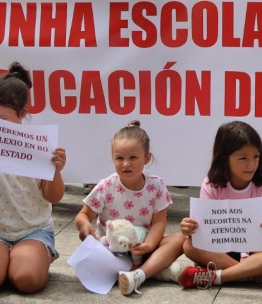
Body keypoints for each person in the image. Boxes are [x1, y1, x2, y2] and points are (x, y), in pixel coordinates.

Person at [0, 63, 67, 295]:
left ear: (22, 114)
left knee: (27, 280)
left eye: (1, 119)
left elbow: (53, 196)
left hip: (33, 230)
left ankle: (34, 257)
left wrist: (56, 170)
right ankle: (3, 260)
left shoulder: (39, 146)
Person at [74, 120, 185, 296]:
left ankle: (139, 273)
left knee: (180, 239)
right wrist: (84, 226)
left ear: (147, 158)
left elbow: (158, 223)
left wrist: (148, 245)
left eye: (133, 158)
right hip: (111, 251)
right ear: (113, 158)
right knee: (89, 262)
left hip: (142, 248)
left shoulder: (156, 185)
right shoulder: (106, 186)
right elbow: (83, 215)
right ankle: (152, 270)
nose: (126, 164)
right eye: (119, 158)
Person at [179, 121, 262, 288]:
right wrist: (191, 228)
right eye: (243, 158)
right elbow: (205, 234)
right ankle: (253, 273)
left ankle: (218, 277)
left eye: (256, 156)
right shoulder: (211, 185)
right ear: (224, 158)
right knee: (189, 245)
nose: (251, 164)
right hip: (223, 250)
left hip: (257, 250)